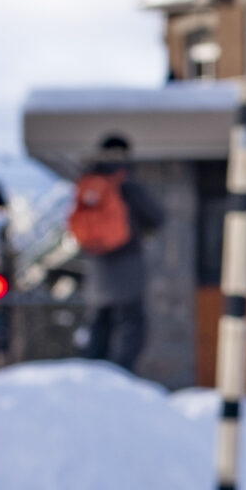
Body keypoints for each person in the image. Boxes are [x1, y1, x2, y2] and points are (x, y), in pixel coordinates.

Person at [72, 132, 166, 373]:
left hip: (97, 266)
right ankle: (122, 375)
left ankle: (94, 374)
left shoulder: (88, 181)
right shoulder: (125, 182)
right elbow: (156, 216)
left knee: (100, 321)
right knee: (131, 323)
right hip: (127, 263)